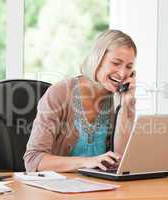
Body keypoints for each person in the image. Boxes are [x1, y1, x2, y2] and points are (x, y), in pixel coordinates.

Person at [24, 29, 137, 172]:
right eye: (116, 63)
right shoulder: (60, 93)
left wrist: (125, 108)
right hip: (58, 188)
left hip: (100, 189)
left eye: (129, 67)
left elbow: (121, 161)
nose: (122, 73)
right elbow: (33, 160)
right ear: (97, 59)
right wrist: (87, 162)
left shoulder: (120, 101)